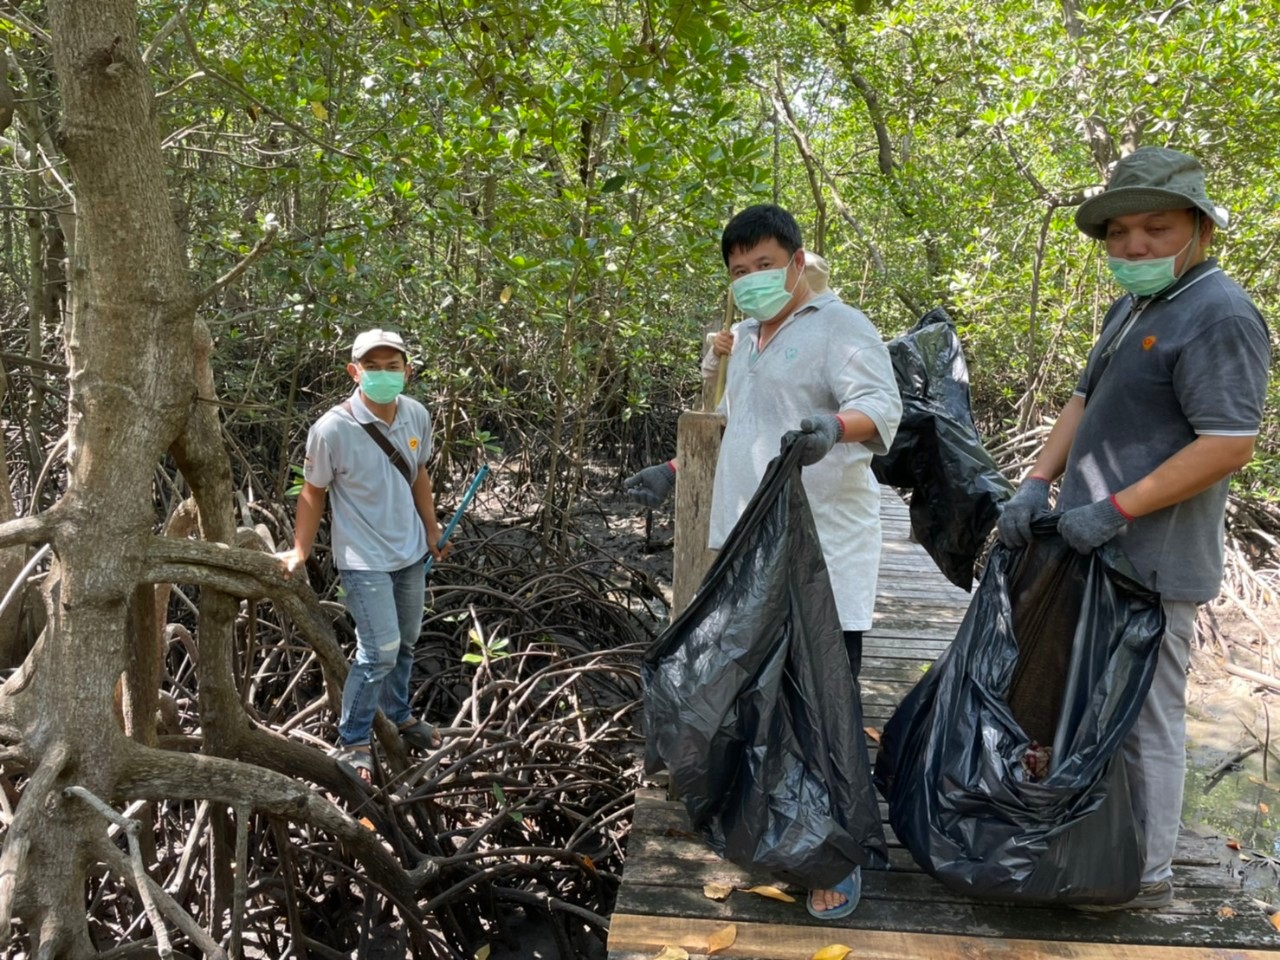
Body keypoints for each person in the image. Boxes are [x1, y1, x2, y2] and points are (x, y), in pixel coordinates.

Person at [997, 147, 1271, 909]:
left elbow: (1228, 443)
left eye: (1156, 228)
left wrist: (1116, 509)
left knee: (1146, 720)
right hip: (1089, 553)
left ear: (1201, 230)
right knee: (1082, 706)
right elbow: (1083, 402)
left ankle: (1143, 877)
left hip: (1151, 564)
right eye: (1121, 233)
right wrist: (1034, 482)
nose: (1136, 246)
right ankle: (1084, 847)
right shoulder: (1136, 307)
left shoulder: (1221, 314)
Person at [625, 205, 902, 919]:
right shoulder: (745, 336)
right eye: (739, 271)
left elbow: (882, 409)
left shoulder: (842, 326)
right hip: (749, 544)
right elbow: (739, 424)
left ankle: (838, 855)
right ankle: (775, 822)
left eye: (764, 265)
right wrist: (676, 469)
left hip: (823, 552)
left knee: (825, 697)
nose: (752, 280)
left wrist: (831, 428)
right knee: (759, 691)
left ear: (798, 259)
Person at [278, 329, 451, 783]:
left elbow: (419, 475)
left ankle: (400, 716)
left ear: (408, 372)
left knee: (408, 641)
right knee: (379, 651)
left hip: (410, 551)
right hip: (362, 558)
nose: (383, 374)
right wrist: (300, 550)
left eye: (392, 366)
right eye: (372, 366)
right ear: (354, 372)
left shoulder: (416, 415)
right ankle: (353, 740)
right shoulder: (332, 428)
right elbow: (313, 494)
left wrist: (432, 531)